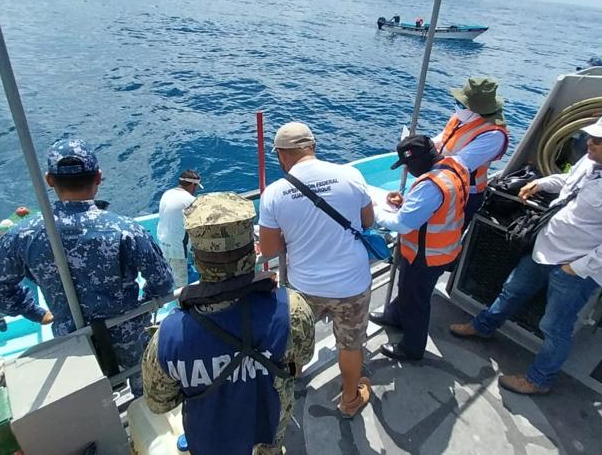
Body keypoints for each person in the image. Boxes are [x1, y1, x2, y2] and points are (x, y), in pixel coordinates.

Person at [449, 106, 602, 395]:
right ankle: (483, 327)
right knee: (511, 290)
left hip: (576, 269)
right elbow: (571, 184)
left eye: (599, 140)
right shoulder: (593, 162)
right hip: (545, 248)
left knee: (554, 326)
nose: (590, 143)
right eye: (590, 137)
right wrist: (541, 182)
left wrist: (576, 267)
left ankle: (539, 379)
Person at [0, 138, 173, 396]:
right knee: (146, 390)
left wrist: (35, 312)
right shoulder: (126, 230)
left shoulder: (24, 235)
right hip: (128, 334)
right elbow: (163, 282)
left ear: (49, 180)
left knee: (90, 399)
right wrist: (141, 309)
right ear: (99, 177)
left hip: (72, 340)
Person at [142, 193, 315, 455]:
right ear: (251, 249)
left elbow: (159, 403)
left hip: (211, 440)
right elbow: (301, 359)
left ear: (196, 258)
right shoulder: (292, 308)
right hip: (269, 428)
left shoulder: (169, 336)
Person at [258, 121, 375, 418]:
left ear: (282, 154)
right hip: (352, 283)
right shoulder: (351, 175)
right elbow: (368, 222)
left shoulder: (274, 193)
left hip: (304, 287)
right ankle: (350, 400)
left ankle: (293, 381)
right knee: (350, 345)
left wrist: (292, 232)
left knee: (296, 342)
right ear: (312, 147)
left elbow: (270, 250)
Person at [369, 135, 470, 361]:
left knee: (416, 301)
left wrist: (373, 210)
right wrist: (408, 202)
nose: (407, 169)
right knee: (408, 289)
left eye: (407, 164)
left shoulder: (430, 186)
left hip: (426, 255)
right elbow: (441, 206)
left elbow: (402, 224)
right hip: (445, 248)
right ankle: (394, 316)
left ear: (416, 162)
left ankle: (412, 348)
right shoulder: (455, 166)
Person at [433, 77, 510, 227]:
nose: (457, 106)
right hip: (440, 180)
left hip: (465, 194)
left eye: (461, 104)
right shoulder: (462, 117)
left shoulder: (494, 135)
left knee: (445, 233)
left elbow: (459, 164)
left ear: (477, 109)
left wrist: (423, 158)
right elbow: (443, 138)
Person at [157, 169, 203, 289]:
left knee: (169, 271)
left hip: (162, 240)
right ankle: (180, 305)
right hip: (177, 249)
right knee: (181, 286)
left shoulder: (167, 193)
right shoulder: (190, 200)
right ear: (193, 185)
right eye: (196, 186)